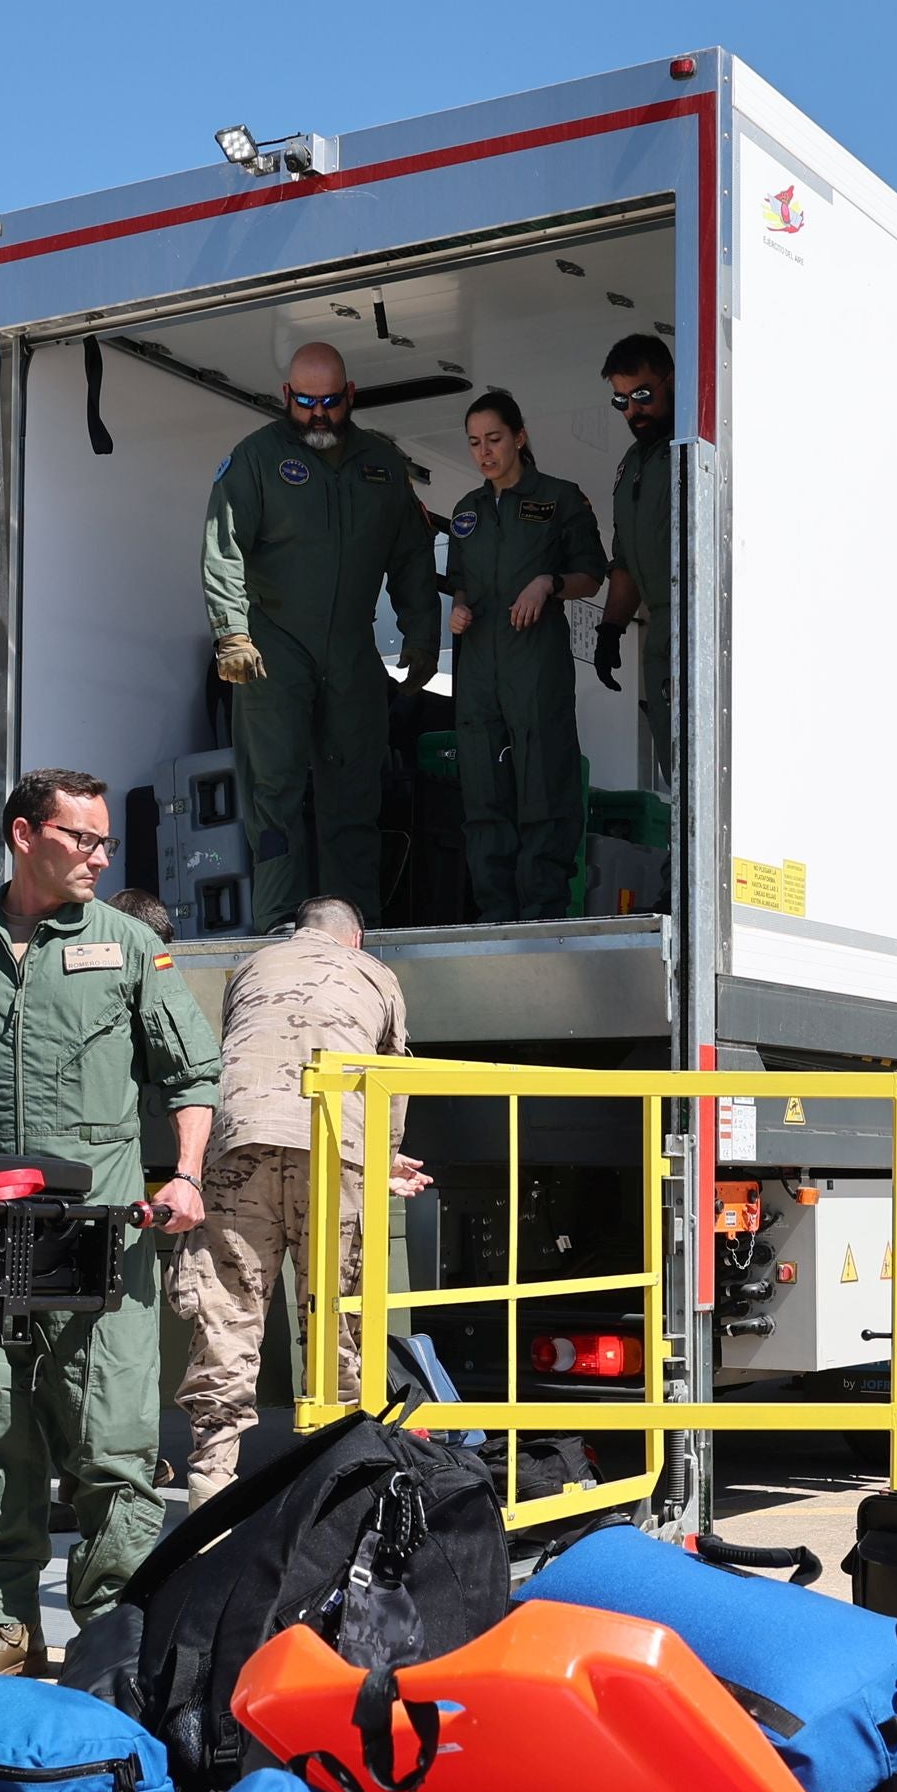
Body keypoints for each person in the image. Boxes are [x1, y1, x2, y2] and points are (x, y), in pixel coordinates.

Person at [0, 769, 221, 1670]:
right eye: (80, 839)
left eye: (103, 844)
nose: (97, 856)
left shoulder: (127, 944)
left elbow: (189, 1075)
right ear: (23, 835)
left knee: (111, 1439)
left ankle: (112, 1635)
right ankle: (3, 1624)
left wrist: (187, 1176)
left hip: (101, 1227)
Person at [169, 899, 420, 1506]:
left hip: (240, 1143)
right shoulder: (376, 976)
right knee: (335, 1315)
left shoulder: (252, 968)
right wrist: (385, 1160)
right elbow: (393, 1077)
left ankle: (210, 1486)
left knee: (226, 1317)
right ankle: (338, 1484)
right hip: (334, 1147)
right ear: (353, 938)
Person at [198, 342, 440, 930]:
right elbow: (223, 547)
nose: (318, 414)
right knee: (275, 793)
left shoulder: (382, 466)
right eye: (305, 402)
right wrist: (232, 633)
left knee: (355, 798)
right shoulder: (256, 459)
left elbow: (411, 553)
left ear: (349, 396)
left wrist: (422, 634)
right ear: (286, 397)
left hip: (353, 650)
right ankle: (280, 926)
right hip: (273, 649)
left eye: (329, 402)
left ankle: (354, 928)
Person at [441, 392, 608, 921]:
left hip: (535, 666)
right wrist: (459, 610)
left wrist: (548, 583)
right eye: (474, 443)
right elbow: (462, 584)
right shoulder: (465, 512)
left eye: (494, 439)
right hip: (479, 672)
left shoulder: (559, 498)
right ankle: (495, 917)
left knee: (544, 788)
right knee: (483, 795)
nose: (484, 453)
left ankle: (544, 913)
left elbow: (593, 573)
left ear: (520, 436)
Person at [597, 333, 679, 796]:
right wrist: (610, 629)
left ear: (669, 380)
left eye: (642, 395)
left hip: (698, 623)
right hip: (658, 636)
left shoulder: (699, 441)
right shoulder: (631, 465)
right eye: (621, 400)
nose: (633, 410)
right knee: (674, 763)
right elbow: (624, 559)